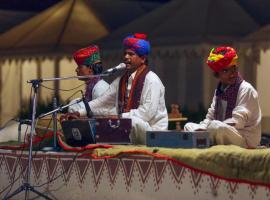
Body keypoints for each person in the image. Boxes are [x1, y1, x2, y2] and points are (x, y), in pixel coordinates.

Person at [69, 33, 168, 144]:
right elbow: (102, 102)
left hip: (152, 132)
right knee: (105, 117)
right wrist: (80, 113)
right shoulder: (121, 80)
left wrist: (119, 117)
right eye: (125, 53)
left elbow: (146, 114)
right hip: (129, 127)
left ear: (143, 59)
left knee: (132, 121)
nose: (126, 57)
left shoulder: (151, 80)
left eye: (131, 54)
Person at [184, 46, 261, 148]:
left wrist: (210, 128)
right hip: (222, 131)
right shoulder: (220, 90)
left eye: (234, 69)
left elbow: (238, 122)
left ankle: (211, 144)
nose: (232, 74)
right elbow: (210, 117)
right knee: (188, 126)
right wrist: (201, 128)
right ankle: (209, 141)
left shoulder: (246, 89)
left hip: (244, 138)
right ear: (217, 74)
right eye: (225, 71)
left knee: (217, 126)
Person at [64, 45, 109, 119]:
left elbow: (102, 115)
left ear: (90, 69)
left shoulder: (100, 88)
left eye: (80, 67)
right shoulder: (94, 86)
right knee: (75, 103)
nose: (76, 70)